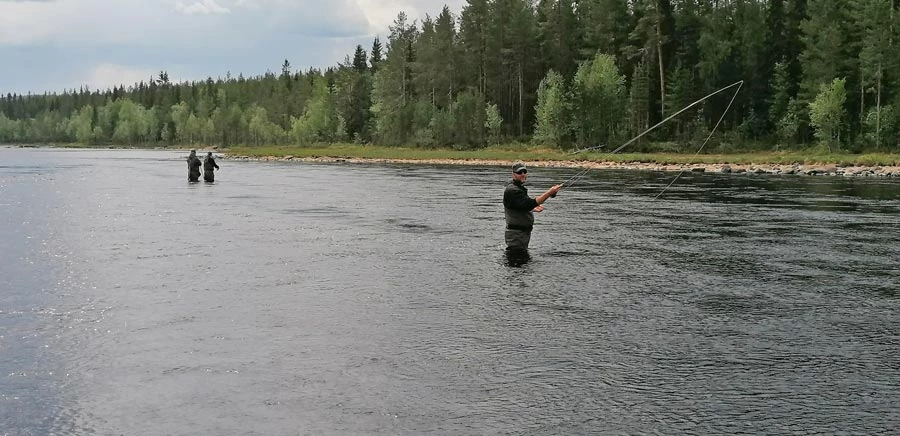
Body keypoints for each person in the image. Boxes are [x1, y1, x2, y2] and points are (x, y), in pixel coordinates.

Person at [503, 162, 562, 253]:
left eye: (524, 172)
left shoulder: (517, 187)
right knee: (517, 262)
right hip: (516, 236)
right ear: (513, 174)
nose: (523, 174)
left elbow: (520, 205)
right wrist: (550, 192)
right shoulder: (513, 190)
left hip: (521, 235)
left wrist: (532, 209)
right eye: (519, 173)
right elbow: (530, 203)